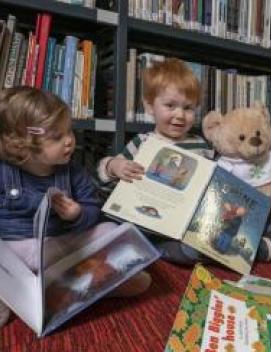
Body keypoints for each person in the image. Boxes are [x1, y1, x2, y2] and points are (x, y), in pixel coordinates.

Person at [0, 87, 150, 330]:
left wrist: (77, 214)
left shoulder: (73, 172)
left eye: (69, 131)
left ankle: (94, 280)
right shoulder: (5, 171)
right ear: (22, 145)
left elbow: (93, 208)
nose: (69, 140)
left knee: (111, 229)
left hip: (63, 245)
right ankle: (18, 294)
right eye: (57, 137)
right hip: (17, 251)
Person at [96, 58, 218, 264]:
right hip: (143, 220)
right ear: (150, 106)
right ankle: (150, 248)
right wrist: (113, 167)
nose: (180, 115)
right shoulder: (141, 142)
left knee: (203, 241)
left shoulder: (202, 146)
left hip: (182, 224)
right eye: (170, 105)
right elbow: (105, 188)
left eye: (188, 108)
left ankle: (165, 250)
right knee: (112, 226)